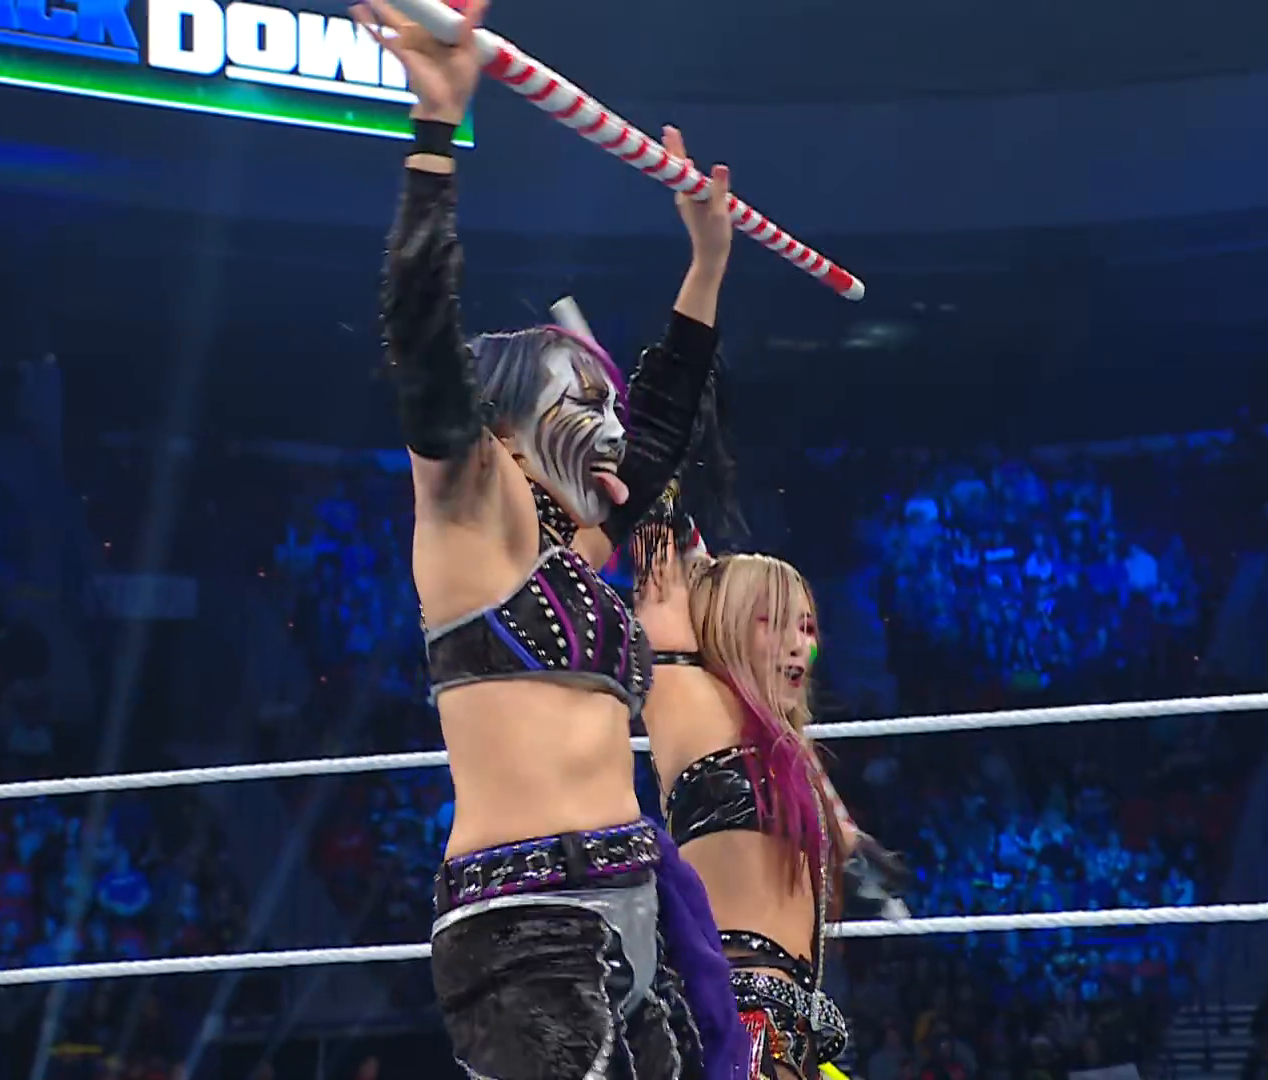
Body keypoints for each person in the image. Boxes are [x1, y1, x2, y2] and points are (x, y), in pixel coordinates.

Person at [353, 0, 748, 1074]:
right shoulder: (468, 515)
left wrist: (705, 260)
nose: (610, 425)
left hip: (632, 898)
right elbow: (423, 339)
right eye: (583, 401)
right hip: (526, 921)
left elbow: (657, 431)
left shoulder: (571, 547)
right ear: (506, 427)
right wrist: (435, 133)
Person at [634, 503, 909, 1080]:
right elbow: (662, 580)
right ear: (727, 625)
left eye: (807, 628)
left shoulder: (785, 750)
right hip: (736, 1031)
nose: (798, 644)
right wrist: (664, 499)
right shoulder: (696, 709)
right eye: (773, 622)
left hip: (793, 1035)